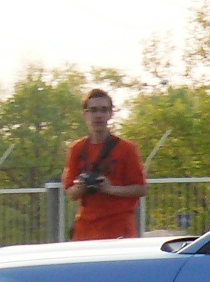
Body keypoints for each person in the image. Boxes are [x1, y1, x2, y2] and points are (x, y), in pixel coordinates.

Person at [62, 88, 148, 240]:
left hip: (118, 228)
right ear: (85, 114)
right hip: (85, 230)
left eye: (103, 110)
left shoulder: (127, 149)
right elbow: (70, 192)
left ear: (110, 114)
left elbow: (140, 188)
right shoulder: (77, 149)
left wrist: (109, 189)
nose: (98, 115)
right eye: (93, 110)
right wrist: (82, 186)